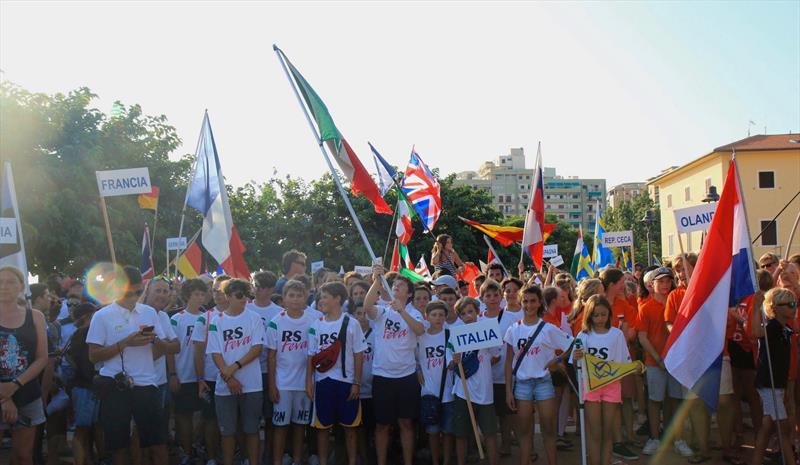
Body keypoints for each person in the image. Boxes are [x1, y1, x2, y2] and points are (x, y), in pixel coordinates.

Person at [86, 265, 170, 465]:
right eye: (129, 292)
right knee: (119, 445)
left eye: (139, 292)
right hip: (115, 385)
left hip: (147, 384)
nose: (134, 297)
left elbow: (162, 349)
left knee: (158, 442)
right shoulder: (102, 316)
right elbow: (94, 356)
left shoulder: (149, 312)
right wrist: (126, 343)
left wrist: (153, 340)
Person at [504, 285, 573, 465]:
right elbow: (508, 363)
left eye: (533, 301)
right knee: (524, 431)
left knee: (548, 429)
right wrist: (508, 391)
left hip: (544, 382)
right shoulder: (513, 330)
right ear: (521, 302)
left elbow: (571, 345)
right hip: (522, 384)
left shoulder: (548, 328)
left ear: (539, 302)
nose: (529, 305)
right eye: (525, 301)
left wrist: (556, 360)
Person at [364, 265, 425, 465]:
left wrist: (403, 312)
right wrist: (377, 280)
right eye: (394, 285)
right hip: (383, 377)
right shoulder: (382, 312)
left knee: (406, 423)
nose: (396, 288)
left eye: (400, 286)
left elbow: (419, 330)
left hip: (406, 377)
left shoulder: (414, 313)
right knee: (382, 425)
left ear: (408, 294)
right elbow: (367, 307)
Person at [206, 279, 265, 465]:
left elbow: (257, 348)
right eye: (239, 295)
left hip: (252, 384)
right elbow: (215, 353)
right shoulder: (216, 321)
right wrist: (229, 378)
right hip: (225, 386)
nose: (244, 299)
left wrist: (234, 367)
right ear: (228, 296)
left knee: (251, 430)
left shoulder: (254, 318)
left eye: (246, 295)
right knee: (227, 432)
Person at [307, 282, 366, 465]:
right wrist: (308, 381)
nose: (321, 300)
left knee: (350, 428)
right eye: (320, 296)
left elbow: (358, 355)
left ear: (337, 298)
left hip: (346, 382)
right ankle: (324, 462)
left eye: (325, 296)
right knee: (323, 427)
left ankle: (352, 462)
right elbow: (311, 356)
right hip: (323, 381)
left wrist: (356, 382)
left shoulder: (352, 323)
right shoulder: (316, 324)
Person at [636, 266, 692, 457]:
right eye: (661, 281)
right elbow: (642, 337)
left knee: (676, 400)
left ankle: (678, 439)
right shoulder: (646, 307)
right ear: (652, 284)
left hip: (676, 362)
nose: (665, 285)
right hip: (654, 362)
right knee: (654, 401)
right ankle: (654, 438)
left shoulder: (679, 303)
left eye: (668, 281)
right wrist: (658, 358)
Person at [572, 295, 632, 465]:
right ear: (589, 315)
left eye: (603, 314)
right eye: (596, 315)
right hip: (590, 385)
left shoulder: (617, 334)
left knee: (607, 431)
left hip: (611, 385)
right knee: (595, 431)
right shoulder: (583, 336)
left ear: (609, 314)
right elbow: (575, 363)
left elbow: (622, 362)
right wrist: (576, 357)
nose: (599, 319)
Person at [0, 266, 48, 465]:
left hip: (27, 393)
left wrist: (15, 385)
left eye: (10, 282)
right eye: (0, 282)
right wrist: (4, 397)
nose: (4, 286)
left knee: (23, 456)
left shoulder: (36, 317)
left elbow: (42, 358)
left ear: (21, 286)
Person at [267, 280, 313, 465]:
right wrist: (272, 385)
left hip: (304, 384)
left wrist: (310, 382)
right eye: (291, 295)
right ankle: (277, 461)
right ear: (284, 298)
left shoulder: (313, 320)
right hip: (282, 384)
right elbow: (271, 357)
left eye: (299, 295)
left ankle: (297, 460)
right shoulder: (275, 322)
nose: (295, 299)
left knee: (300, 426)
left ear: (306, 298)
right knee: (280, 426)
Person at [449, 297, 499, 465]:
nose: (468, 316)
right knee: (461, 433)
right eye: (463, 314)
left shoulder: (487, 330)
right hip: (463, 390)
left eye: (470, 312)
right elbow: (449, 365)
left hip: (484, 390)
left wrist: (481, 362)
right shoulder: (456, 334)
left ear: (477, 311)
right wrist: (455, 360)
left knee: (490, 432)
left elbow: (496, 356)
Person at [751, 288, 797, 465]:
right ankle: (790, 461)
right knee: (782, 427)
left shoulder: (786, 328)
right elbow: (757, 332)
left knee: (767, 426)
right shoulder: (772, 326)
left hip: (777, 384)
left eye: (795, 304)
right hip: (768, 384)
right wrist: (756, 307)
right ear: (776, 308)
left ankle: (756, 461)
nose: (794, 308)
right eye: (790, 304)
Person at [479, 279, 520, 457]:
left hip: (505, 374)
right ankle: (491, 447)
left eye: (496, 295)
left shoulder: (511, 317)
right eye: (488, 295)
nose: (493, 298)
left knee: (506, 414)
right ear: (482, 298)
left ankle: (506, 444)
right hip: (486, 375)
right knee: (489, 415)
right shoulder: (478, 319)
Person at [192, 275, 230, 465]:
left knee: (234, 420)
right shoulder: (204, 318)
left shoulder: (245, 315)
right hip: (211, 377)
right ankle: (212, 457)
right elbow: (198, 352)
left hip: (235, 376)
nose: (217, 294)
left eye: (222, 291)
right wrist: (200, 379)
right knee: (211, 419)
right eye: (214, 290)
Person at [170, 278, 208, 465]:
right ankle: (186, 450)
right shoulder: (177, 319)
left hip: (204, 375)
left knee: (203, 415)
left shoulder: (209, 317)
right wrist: (173, 374)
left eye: (202, 294)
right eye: (196, 294)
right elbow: (171, 349)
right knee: (183, 415)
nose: (199, 298)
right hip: (183, 374)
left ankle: (197, 445)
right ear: (187, 296)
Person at [248, 270, 284, 461]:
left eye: (263, 287)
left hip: (271, 371)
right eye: (256, 286)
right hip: (249, 370)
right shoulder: (245, 309)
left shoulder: (279, 313)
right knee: (250, 419)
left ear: (271, 289)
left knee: (271, 418)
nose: (258, 290)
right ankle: (250, 455)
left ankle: (270, 453)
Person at [417, 301, 455, 465]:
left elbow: (456, 357)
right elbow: (414, 356)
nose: (438, 318)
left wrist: (455, 362)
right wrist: (418, 370)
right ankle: (435, 461)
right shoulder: (421, 336)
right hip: (429, 391)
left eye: (441, 315)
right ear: (427, 316)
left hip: (449, 391)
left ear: (446, 317)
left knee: (447, 432)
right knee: (432, 432)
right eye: (434, 315)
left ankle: (446, 461)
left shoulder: (451, 334)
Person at [65, 302, 103, 465]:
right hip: (86, 387)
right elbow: (84, 363)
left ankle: (90, 459)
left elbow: (73, 360)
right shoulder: (84, 333)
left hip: (84, 386)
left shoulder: (76, 334)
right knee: (82, 430)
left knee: (92, 429)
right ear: (88, 316)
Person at [349, 299, 375, 465]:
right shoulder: (349, 333)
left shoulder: (377, 333)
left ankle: (373, 457)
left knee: (373, 427)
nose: (363, 317)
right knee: (357, 428)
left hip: (374, 389)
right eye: (359, 313)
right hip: (355, 388)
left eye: (365, 313)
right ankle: (362, 458)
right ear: (353, 315)